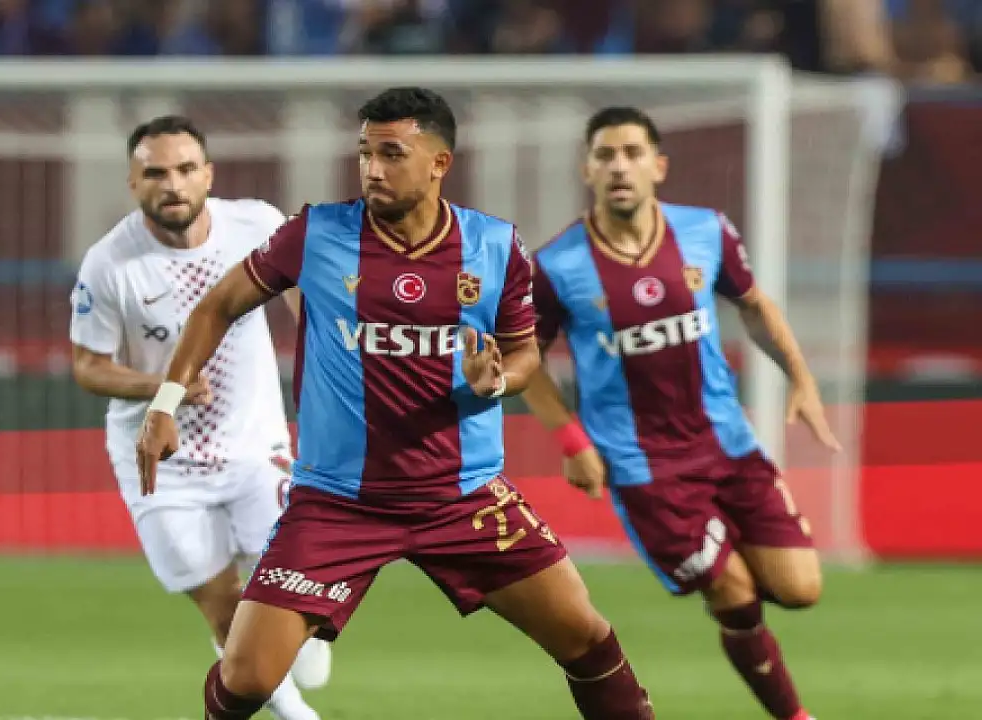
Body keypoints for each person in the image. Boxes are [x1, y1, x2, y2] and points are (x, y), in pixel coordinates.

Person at [137, 88, 655, 720]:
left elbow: (523, 353)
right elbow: (217, 306)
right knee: (245, 676)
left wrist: (496, 380)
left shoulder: (494, 246)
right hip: (338, 501)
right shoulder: (315, 234)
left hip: (462, 495)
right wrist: (165, 403)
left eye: (391, 154)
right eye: (365, 153)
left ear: (439, 163)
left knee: (586, 638)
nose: (372, 169)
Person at [524, 106, 840, 720]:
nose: (620, 167)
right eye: (606, 155)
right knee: (734, 592)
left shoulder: (706, 231)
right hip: (645, 469)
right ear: (587, 170)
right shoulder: (558, 265)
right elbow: (526, 361)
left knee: (801, 588)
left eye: (633, 153)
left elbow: (754, 305)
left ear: (659, 166)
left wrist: (800, 378)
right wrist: (572, 440)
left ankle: (724, 558)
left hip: (729, 446)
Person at [68, 115, 329, 720]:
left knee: (299, 586)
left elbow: (308, 303)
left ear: (208, 175)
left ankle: (306, 640)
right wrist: (163, 387)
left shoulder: (257, 226)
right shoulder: (110, 264)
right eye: (155, 173)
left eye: (186, 169)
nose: (173, 184)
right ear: (133, 183)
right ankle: (297, 716)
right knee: (224, 608)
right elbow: (87, 366)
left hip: (255, 447)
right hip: (162, 463)